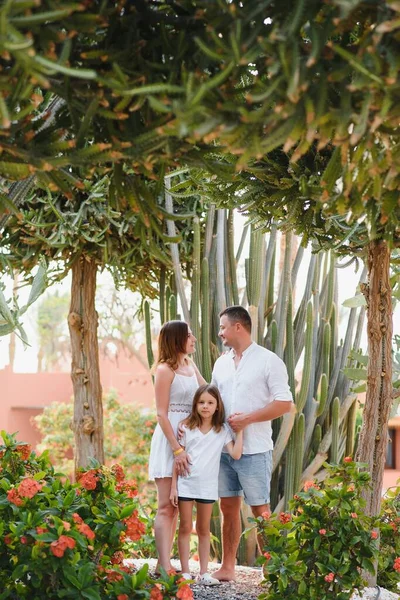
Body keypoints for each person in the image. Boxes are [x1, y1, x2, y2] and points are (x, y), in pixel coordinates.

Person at [211, 305, 294, 582]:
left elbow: (284, 403)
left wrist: (248, 419)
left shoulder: (269, 361)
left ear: (238, 327)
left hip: (255, 449)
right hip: (224, 448)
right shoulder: (221, 363)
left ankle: (271, 570)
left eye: (223, 327)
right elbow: (213, 399)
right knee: (228, 507)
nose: (220, 332)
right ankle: (227, 567)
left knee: (260, 510)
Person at [170, 384, 244, 586]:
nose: (205, 406)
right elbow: (177, 460)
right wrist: (174, 487)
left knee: (203, 529)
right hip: (186, 484)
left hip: (207, 487)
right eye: (201, 402)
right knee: (184, 527)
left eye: (210, 403)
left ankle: (203, 572)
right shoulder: (186, 428)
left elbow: (236, 454)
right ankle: (185, 571)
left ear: (217, 406)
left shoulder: (222, 431)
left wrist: (242, 431)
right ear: (195, 405)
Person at [148, 320, 206, 574]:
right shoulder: (164, 370)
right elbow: (161, 414)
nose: (194, 339)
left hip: (189, 435)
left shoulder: (189, 365)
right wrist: (176, 449)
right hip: (169, 438)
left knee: (180, 502)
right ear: (177, 339)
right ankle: (163, 563)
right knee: (166, 505)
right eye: (189, 335)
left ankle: (169, 560)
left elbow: (207, 391)